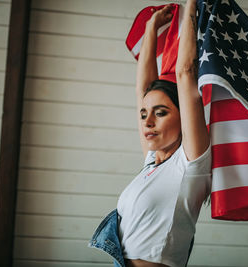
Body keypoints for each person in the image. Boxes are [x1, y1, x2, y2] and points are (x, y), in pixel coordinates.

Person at [89, 1, 211, 266]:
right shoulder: (150, 163)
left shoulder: (190, 165)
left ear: (184, 118)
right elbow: (142, 89)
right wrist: (151, 27)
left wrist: (191, 4)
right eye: (144, 114)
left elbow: (186, 71)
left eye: (161, 112)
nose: (147, 121)